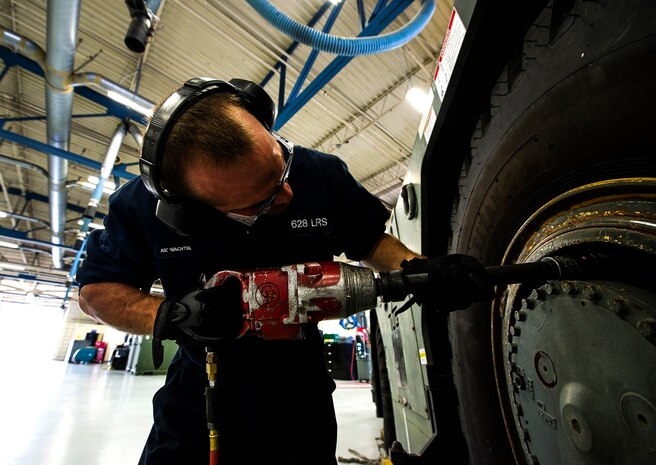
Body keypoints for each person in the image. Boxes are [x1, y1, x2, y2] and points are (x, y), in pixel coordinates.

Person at [76, 78, 488, 465]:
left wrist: (417, 269)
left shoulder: (319, 174)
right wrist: (172, 315)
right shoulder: (144, 208)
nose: (288, 193)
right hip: (201, 391)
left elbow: (369, 240)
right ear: (192, 209)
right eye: (264, 199)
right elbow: (95, 292)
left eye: (280, 168)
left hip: (301, 391)